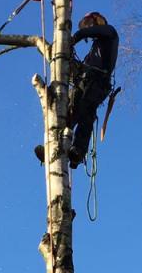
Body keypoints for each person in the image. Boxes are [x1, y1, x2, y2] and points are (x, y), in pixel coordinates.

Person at [35, 11, 119, 168]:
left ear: (98, 20)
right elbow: (81, 68)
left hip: (97, 83)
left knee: (86, 114)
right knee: (68, 113)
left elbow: (89, 32)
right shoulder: (93, 51)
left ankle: (78, 151)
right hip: (85, 82)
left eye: (91, 24)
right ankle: (53, 147)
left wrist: (75, 38)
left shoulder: (110, 32)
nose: (90, 28)